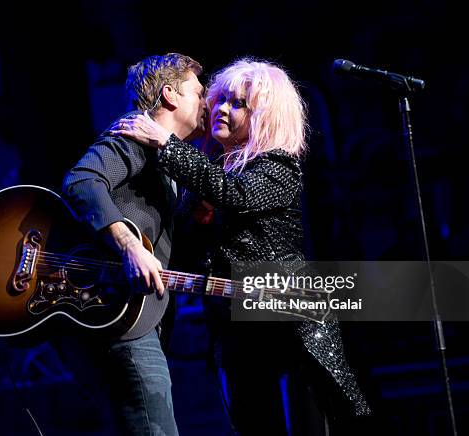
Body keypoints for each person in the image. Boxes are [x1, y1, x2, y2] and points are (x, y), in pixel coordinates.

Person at [110, 58, 371, 435]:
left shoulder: (279, 166)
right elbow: (185, 249)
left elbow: (237, 194)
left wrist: (167, 144)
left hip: (289, 327)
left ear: (264, 117)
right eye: (220, 100)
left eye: (238, 104)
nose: (221, 109)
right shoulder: (210, 173)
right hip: (233, 328)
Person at [60, 52, 207, 435]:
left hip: (137, 316)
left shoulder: (165, 154)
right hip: (120, 320)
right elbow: (81, 181)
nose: (207, 102)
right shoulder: (132, 136)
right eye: (198, 92)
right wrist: (129, 245)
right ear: (171, 95)